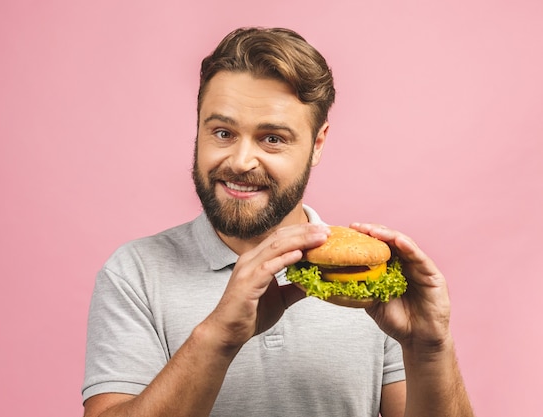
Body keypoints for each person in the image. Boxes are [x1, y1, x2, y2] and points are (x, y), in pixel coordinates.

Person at [82, 27, 475, 417]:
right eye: (222, 132)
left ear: (317, 144)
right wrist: (216, 337)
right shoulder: (134, 273)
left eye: (272, 138)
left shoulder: (370, 278)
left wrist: (430, 349)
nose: (240, 161)